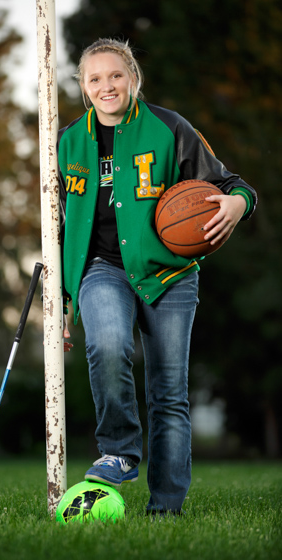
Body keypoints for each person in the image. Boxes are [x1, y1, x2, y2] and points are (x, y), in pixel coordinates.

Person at [57, 38, 257, 517]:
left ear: (133, 79)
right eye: (95, 78)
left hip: (170, 274)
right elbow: (60, 228)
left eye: (116, 75)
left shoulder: (171, 128)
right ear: (84, 88)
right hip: (101, 269)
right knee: (106, 343)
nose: (107, 86)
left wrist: (236, 203)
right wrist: (62, 304)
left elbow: (233, 185)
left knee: (168, 393)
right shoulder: (67, 142)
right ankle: (120, 451)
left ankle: (166, 507)